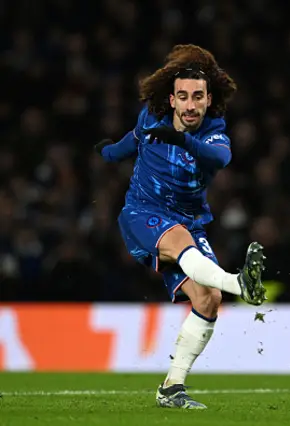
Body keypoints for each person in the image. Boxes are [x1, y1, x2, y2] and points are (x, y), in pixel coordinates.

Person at [95, 44, 267, 408]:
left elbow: (221, 157)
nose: (191, 105)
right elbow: (130, 143)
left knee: (209, 299)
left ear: (208, 101)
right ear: (171, 100)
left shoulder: (213, 133)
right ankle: (242, 283)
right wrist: (107, 152)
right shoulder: (150, 118)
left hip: (188, 221)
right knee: (182, 241)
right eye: (184, 97)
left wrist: (182, 139)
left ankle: (171, 388)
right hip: (143, 213)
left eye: (198, 98)